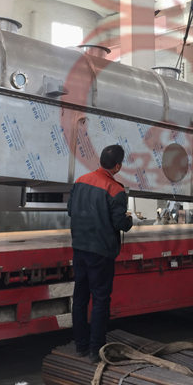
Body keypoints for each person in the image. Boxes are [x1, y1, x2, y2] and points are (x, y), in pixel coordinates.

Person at [68, 144, 132, 361]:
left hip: (79, 248)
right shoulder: (115, 189)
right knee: (100, 300)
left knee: (80, 298)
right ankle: (96, 350)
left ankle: (81, 346)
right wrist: (129, 220)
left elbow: (71, 210)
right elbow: (120, 223)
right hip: (101, 252)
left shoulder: (80, 181)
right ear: (118, 166)